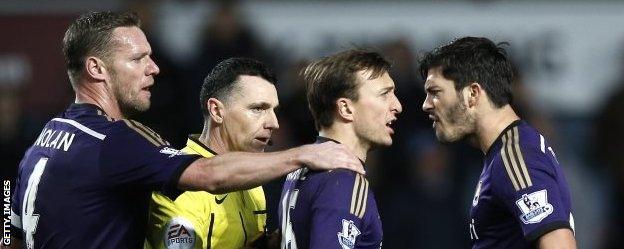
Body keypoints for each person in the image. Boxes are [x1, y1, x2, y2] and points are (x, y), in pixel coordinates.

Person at [6, 11, 363, 249]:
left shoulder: (43, 138)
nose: (154, 68)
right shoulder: (113, 140)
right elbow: (207, 173)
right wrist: (304, 153)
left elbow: (8, 228)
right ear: (97, 69)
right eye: (138, 59)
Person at [419, 37, 576, 248]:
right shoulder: (505, 152)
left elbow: (559, 244)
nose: (426, 105)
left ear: (472, 93)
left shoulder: (516, 156)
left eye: (435, 92)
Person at [145, 57, 280, 249]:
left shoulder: (252, 181)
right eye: (258, 108)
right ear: (216, 111)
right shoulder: (180, 185)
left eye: (274, 111)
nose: (274, 123)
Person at [279, 49, 402, 248]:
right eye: (384, 94)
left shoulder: (299, 172)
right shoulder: (344, 180)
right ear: (345, 108)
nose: (397, 105)